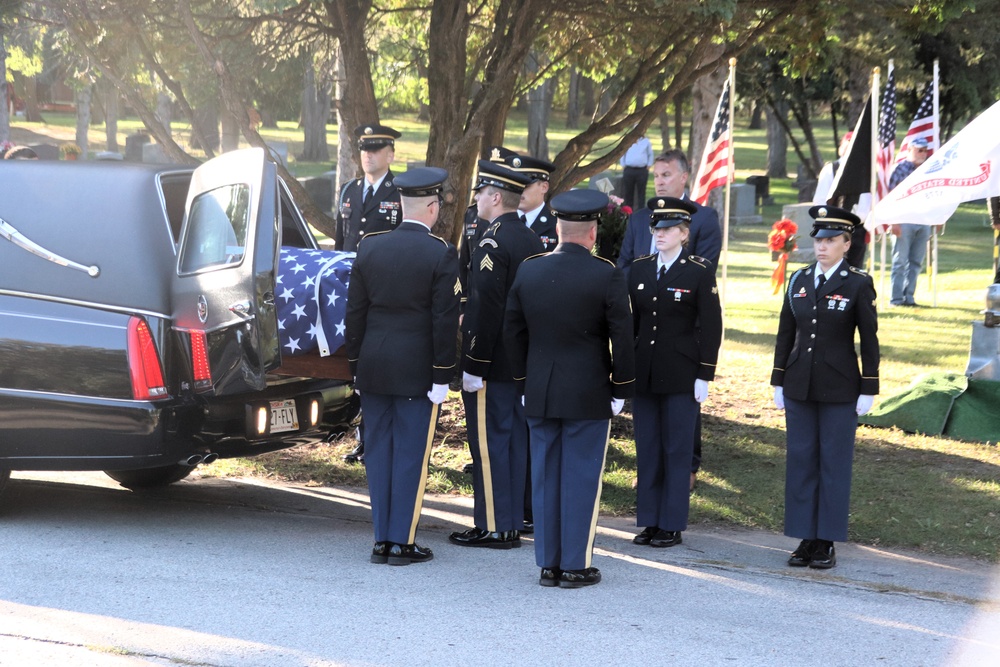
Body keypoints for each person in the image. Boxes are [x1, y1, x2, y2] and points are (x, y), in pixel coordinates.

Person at [504, 189, 635, 588]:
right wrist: (620, 388)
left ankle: (548, 563)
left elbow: (513, 332)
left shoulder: (530, 269)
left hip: (541, 390)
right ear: (593, 232)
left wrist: (523, 383)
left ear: (558, 228)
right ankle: (574, 565)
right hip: (587, 391)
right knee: (580, 478)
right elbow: (622, 338)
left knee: (545, 476)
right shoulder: (607, 273)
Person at [344, 166, 461, 566]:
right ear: (431, 207)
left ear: (399, 206)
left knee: (378, 452)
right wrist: (443, 373)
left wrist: (355, 365)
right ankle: (402, 542)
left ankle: (381, 540)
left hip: (374, 365)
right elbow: (445, 321)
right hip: (417, 370)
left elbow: (354, 314)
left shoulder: (370, 247)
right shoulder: (441, 252)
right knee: (410, 453)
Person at [771, 205, 879, 570]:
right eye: (819, 239)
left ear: (846, 244)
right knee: (801, 461)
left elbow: (869, 339)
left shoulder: (857, 282)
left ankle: (826, 540)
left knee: (833, 463)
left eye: (831, 240)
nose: (822, 246)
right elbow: (787, 332)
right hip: (800, 383)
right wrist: (778, 379)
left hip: (840, 386)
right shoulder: (799, 280)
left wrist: (870, 386)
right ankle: (804, 538)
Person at [450, 159, 544, 550]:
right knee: (513, 444)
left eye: (480, 194)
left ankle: (493, 525)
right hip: (521, 361)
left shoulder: (492, 241)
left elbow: (485, 311)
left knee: (488, 444)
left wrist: (474, 365)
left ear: (493, 197)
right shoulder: (531, 239)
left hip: (493, 363)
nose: (476, 200)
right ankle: (508, 522)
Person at [616, 148, 722, 491]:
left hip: (684, 321)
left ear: (683, 177)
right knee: (647, 404)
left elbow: (702, 269)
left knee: (682, 404)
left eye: (666, 175)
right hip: (643, 318)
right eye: (656, 175)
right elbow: (625, 264)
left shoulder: (704, 218)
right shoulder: (637, 219)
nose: (659, 181)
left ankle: (687, 465)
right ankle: (650, 470)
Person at [628, 197, 722, 549]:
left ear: (685, 233)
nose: (660, 234)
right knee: (648, 447)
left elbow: (712, 326)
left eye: (668, 229)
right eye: (656, 228)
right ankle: (650, 520)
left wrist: (705, 373)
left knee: (677, 449)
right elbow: (631, 325)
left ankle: (671, 522)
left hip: (682, 372)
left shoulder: (698, 271)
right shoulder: (639, 269)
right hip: (645, 372)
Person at [338, 123, 403, 464]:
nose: (368, 154)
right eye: (364, 148)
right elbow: (340, 244)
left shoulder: (398, 192)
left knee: (378, 363)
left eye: (375, 149)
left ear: (390, 154)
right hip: (352, 290)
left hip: (384, 292)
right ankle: (363, 439)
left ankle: (380, 438)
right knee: (357, 361)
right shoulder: (349, 190)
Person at [813, 131, 871, 269]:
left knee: (855, 270)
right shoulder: (830, 170)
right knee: (831, 269)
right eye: (847, 145)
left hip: (857, 229)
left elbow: (868, 202)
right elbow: (821, 201)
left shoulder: (865, 174)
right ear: (840, 149)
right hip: (833, 228)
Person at [888, 137, 932, 306]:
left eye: (925, 150)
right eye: (919, 150)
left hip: (923, 219)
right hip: (903, 220)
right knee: (900, 261)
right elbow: (891, 197)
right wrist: (893, 222)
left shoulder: (928, 170)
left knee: (916, 262)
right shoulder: (899, 169)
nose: (922, 154)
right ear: (909, 150)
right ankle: (896, 298)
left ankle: (910, 297)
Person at [507, 153, 559, 251]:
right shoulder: (500, 223)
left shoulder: (557, 226)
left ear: (544, 187)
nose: (519, 191)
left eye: (525, 186)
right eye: (514, 186)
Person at [619, 133, 654, 211]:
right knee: (628, 193)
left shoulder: (646, 141)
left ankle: (641, 212)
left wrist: (649, 165)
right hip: (629, 169)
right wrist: (623, 165)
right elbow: (622, 153)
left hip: (642, 170)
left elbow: (650, 154)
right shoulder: (628, 141)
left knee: (641, 193)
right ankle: (628, 213)